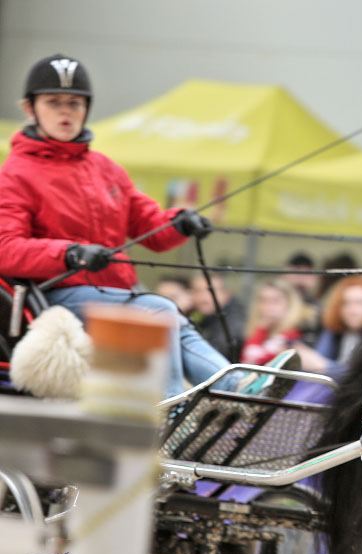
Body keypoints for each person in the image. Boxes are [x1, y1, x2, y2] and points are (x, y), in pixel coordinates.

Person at [0, 53, 234, 398]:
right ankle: (169, 411)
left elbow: (150, 228)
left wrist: (180, 222)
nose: (66, 111)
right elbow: (6, 249)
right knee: (157, 310)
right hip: (56, 295)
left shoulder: (107, 169)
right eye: (54, 102)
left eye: (75, 103)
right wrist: (71, 253)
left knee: (175, 320)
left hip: (117, 294)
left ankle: (239, 386)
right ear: (30, 108)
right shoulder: (15, 173)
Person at [286, 276, 362, 404]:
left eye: (360, 303)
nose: (353, 310)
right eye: (346, 303)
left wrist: (324, 366)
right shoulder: (335, 331)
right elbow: (318, 361)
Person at [240, 278, 310, 366]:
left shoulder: (294, 333)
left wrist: (261, 328)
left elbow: (252, 358)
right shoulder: (259, 330)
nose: (269, 306)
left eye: (276, 300)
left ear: (290, 304)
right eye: (263, 300)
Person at [188, 272, 247, 360]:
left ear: (225, 294)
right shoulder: (198, 316)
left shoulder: (233, 322)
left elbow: (215, 353)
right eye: (198, 291)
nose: (203, 298)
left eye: (210, 291)